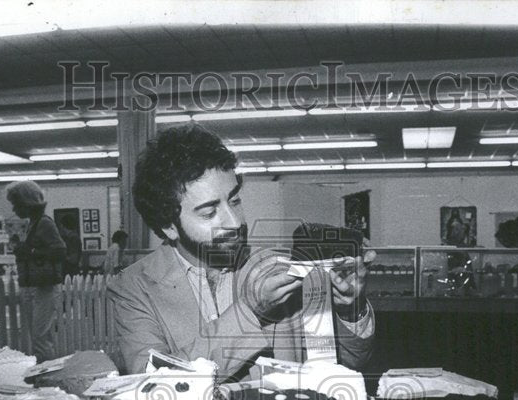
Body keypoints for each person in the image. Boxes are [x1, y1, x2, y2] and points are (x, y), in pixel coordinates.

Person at [109, 125, 373, 381]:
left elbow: (347, 361)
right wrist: (249, 312)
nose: (234, 222)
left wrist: (350, 308)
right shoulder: (134, 288)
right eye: (209, 212)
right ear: (168, 227)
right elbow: (153, 387)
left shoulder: (276, 268)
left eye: (234, 200)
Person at [6, 180, 66, 361]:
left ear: (27, 204)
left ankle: (46, 376)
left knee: (40, 338)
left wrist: (29, 251)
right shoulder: (35, 223)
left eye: (16, 205)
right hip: (37, 287)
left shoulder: (44, 223)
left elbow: (60, 251)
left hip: (43, 288)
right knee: (40, 337)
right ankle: (46, 374)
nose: (14, 210)